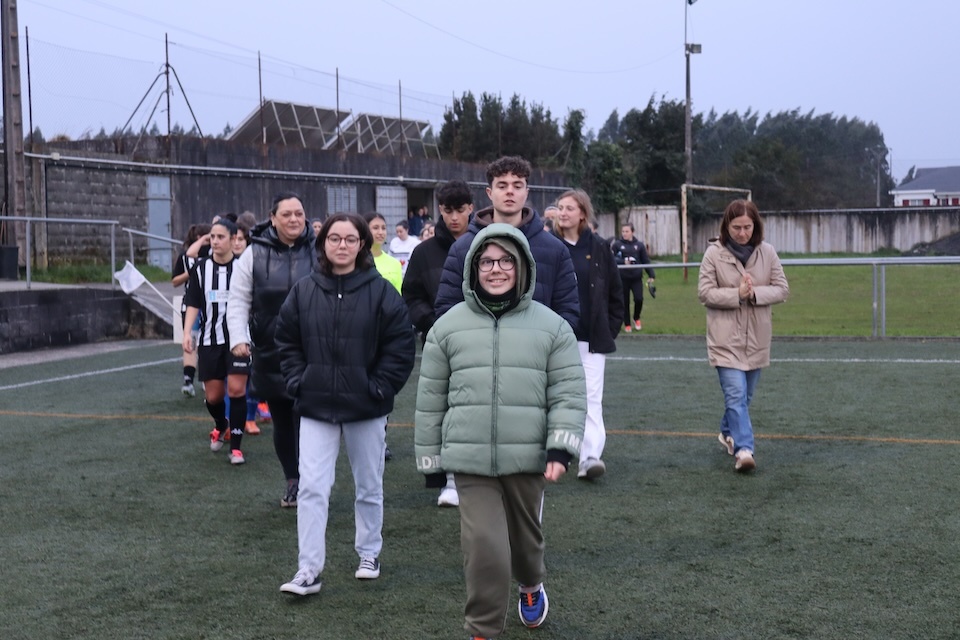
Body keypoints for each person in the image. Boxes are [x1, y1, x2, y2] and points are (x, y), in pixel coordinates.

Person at [415, 224, 586, 639]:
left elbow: (568, 392)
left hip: (528, 458)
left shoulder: (552, 327)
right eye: (487, 261)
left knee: (526, 546)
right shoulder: (447, 327)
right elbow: (430, 397)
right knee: (485, 549)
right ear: (473, 267)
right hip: (469, 460)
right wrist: (432, 460)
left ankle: (531, 584)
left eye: (506, 260)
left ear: (522, 266)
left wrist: (560, 449)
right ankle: (482, 630)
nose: (496, 269)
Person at [275, 213, 416, 596]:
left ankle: (369, 553)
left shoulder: (381, 290)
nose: (341, 245)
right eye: (334, 238)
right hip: (316, 405)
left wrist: (378, 388)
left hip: (366, 407)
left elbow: (401, 345)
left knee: (368, 486)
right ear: (323, 244)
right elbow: (285, 341)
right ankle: (308, 569)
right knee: (312, 489)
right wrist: (299, 381)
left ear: (362, 244)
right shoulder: (304, 290)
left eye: (350, 239)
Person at [227, 192, 316, 506]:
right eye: (287, 214)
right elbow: (238, 300)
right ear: (273, 217)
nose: (294, 219)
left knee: (310, 420)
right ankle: (293, 480)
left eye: (299, 213)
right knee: (282, 419)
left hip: (314, 352)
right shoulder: (253, 254)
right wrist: (239, 338)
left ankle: (314, 483)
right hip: (271, 350)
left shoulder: (320, 249)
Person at [434, 155, 579, 331]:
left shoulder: (555, 250)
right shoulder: (462, 249)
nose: (510, 191)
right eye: (502, 185)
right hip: (478, 355)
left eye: (517, 186)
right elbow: (446, 310)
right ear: (489, 192)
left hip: (535, 355)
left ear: (527, 191)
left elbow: (567, 312)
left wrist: (546, 346)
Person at [697, 199, 789, 473]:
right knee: (736, 396)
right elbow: (705, 293)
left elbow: (782, 289)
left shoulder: (768, 252)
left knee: (744, 398)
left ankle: (727, 430)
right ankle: (744, 450)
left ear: (755, 226)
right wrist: (736, 295)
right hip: (725, 340)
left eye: (747, 227)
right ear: (727, 226)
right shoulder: (713, 254)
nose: (742, 233)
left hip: (757, 339)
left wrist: (756, 293)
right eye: (736, 227)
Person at [401, 178, 473, 507]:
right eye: (447, 210)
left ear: (471, 208)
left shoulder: (489, 242)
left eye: (460, 209)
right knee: (443, 411)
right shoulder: (423, 252)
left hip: (486, 342)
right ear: (439, 210)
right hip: (440, 343)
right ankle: (450, 480)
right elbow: (412, 295)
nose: (454, 217)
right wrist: (432, 322)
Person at [554, 189, 624, 479]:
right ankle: (557, 452)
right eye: (560, 207)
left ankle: (590, 456)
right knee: (558, 398)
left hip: (591, 340)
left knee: (591, 399)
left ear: (583, 213)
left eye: (569, 208)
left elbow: (615, 292)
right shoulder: (548, 246)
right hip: (557, 339)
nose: (563, 212)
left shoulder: (598, 247)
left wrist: (609, 328)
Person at [181, 218, 251, 465]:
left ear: (234, 240)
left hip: (239, 340)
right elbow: (193, 302)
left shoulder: (244, 268)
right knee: (213, 397)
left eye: (221, 237)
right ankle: (221, 425)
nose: (215, 241)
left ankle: (237, 448)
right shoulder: (200, 268)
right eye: (212, 236)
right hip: (210, 340)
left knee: (236, 389)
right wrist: (187, 332)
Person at [172, 223, 210, 397]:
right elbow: (175, 281)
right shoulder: (187, 257)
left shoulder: (213, 255)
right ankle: (188, 380)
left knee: (208, 341)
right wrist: (191, 273)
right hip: (192, 304)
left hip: (210, 304)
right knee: (191, 340)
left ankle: (207, 378)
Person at [611, 222, 655, 332]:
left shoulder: (639, 245)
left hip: (636, 277)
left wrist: (651, 275)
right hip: (622, 278)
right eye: (623, 231)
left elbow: (645, 260)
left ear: (632, 232)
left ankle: (636, 317)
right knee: (624, 301)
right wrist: (623, 261)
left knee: (639, 299)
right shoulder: (617, 245)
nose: (624, 234)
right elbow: (611, 259)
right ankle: (627, 324)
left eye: (627, 231)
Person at [364, 212, 403, 294]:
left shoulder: (395, 264)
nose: (380, 232)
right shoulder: (356, 261)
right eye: (375, 228)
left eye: (383, 228)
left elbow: (398, 295)